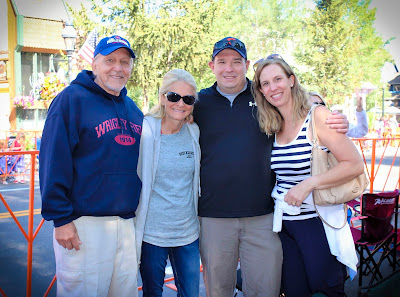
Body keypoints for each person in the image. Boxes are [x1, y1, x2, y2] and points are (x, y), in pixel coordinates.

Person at [193, 37, 350, 297]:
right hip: (213, 217)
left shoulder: (264, 97)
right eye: (222, 62)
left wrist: (333, 117)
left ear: (247, 64)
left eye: (236, 61)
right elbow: (169, 119)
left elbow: (300, 104)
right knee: (218, 290)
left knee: (266, 289)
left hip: (264, 217)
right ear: (212, 65)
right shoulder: (198, 103)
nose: (229, 68)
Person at [39, 35, 143, 297]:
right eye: (109, 60)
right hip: (83, 225)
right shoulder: (71, 99)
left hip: (126, 224)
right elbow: (53, 158)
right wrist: (60, 218)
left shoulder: (133, 109)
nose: (118, 68)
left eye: (124, 62)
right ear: (94, 64)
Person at [252, 56, 362, 297]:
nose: (273, 88)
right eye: (266, 83)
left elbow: (354, 164)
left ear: (292, 80)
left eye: (278, 79)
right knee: (294, 290)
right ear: (261, 90)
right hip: (285, 224)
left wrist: (309, 183)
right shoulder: (273, 124)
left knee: (327, 289)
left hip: (317, 222)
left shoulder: (318, 116)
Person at [135, 69, 201, 297]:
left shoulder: (194, 131)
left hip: (188, 233)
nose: (180, 104)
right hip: (152, 234)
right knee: (152, 293)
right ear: (163, 97)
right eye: (174, 97)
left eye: (188, 99)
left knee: (191, 293)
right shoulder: (145, 130)